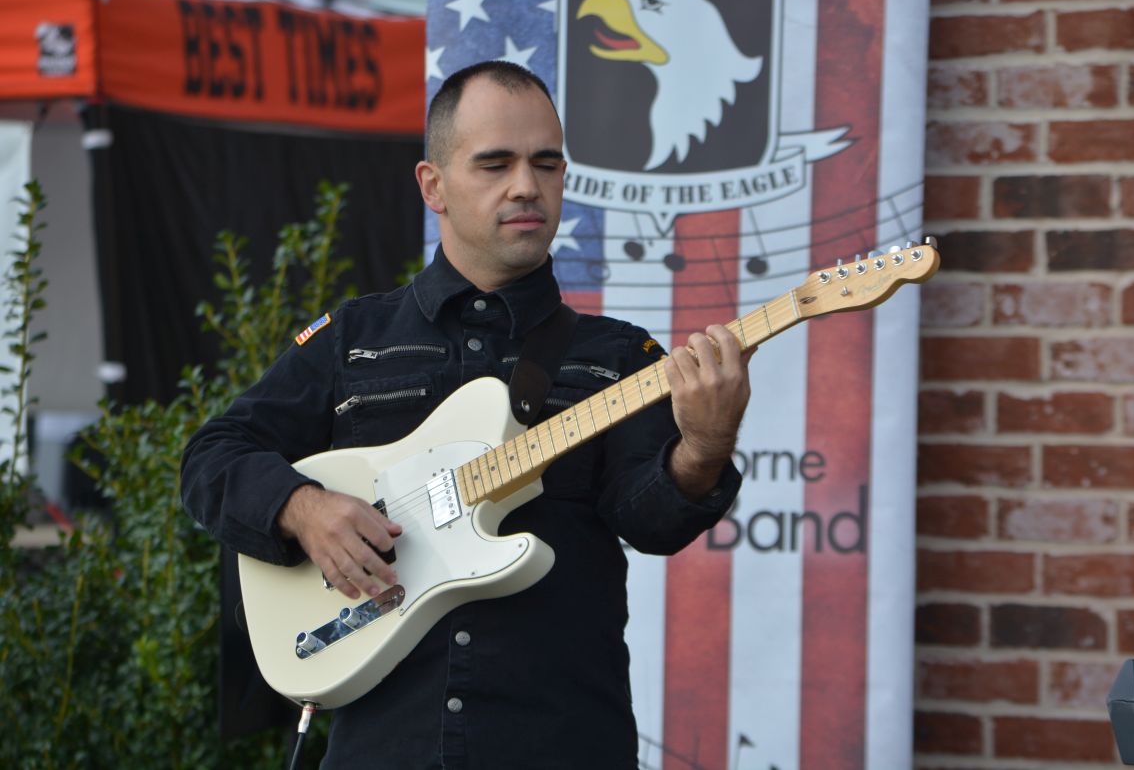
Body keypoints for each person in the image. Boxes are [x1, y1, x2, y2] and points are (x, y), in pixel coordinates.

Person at [181, 60, 751, 769]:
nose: (527, 186)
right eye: (495, 163)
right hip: (385, 750)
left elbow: (653, 522)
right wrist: (302, 508)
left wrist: (706, 446)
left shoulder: (619, 356)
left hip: (561, 745)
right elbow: (211, 456)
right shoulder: (353, 339)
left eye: (547, 164)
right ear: (433, 186)